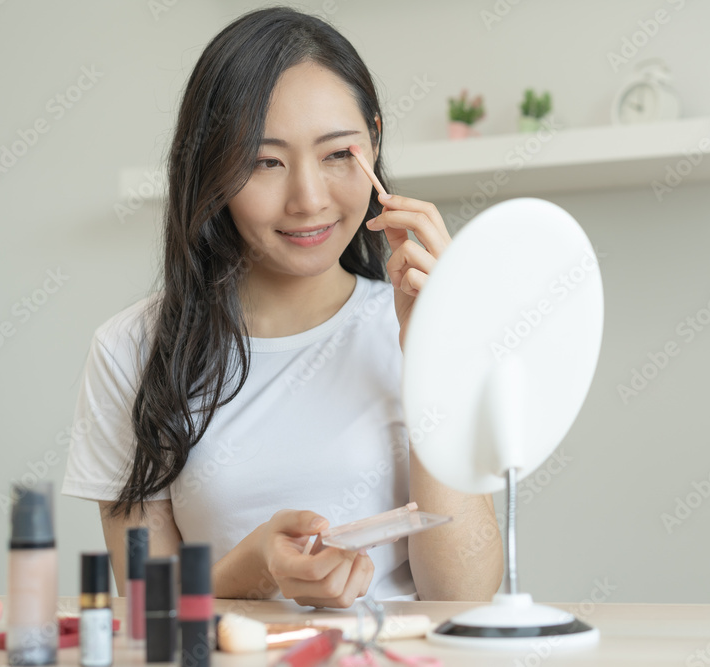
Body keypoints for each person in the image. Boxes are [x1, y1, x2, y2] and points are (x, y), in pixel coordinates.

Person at [60, 7, 502, 607]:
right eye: (265, 161)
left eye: (338, 153)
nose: (308, 199)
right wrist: (251, 569)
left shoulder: (423, 324)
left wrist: (431, 357)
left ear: (373, 138)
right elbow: (145, 612)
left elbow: (465, 596)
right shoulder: (133, 351)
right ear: (211, 167)